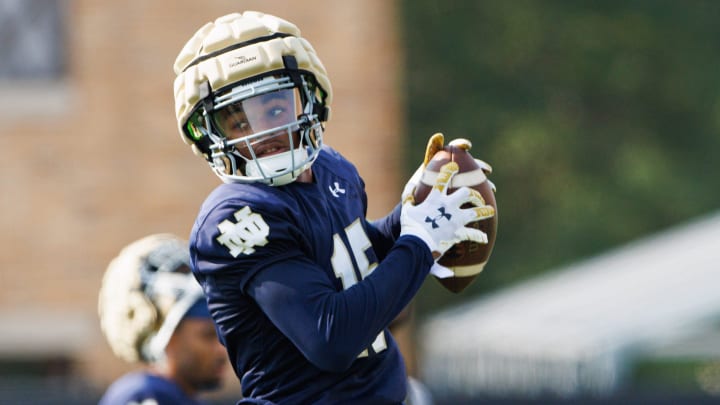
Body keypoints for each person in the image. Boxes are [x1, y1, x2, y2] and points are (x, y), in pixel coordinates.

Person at [171, 10, 496, 404]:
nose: (265, 132)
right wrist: (421, 240)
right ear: (210, 137)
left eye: (275, 109)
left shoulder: (332, 169)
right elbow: (330, 337)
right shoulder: (235, 218)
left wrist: (405, 217)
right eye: (240, 123)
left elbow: (347, 266)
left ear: (311, 100)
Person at [97, 234, 228, 405]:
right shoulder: (146, 395)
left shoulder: (179, 397)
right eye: (207, 335)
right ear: (164, 336)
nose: (222, 350)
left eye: (222, 336)